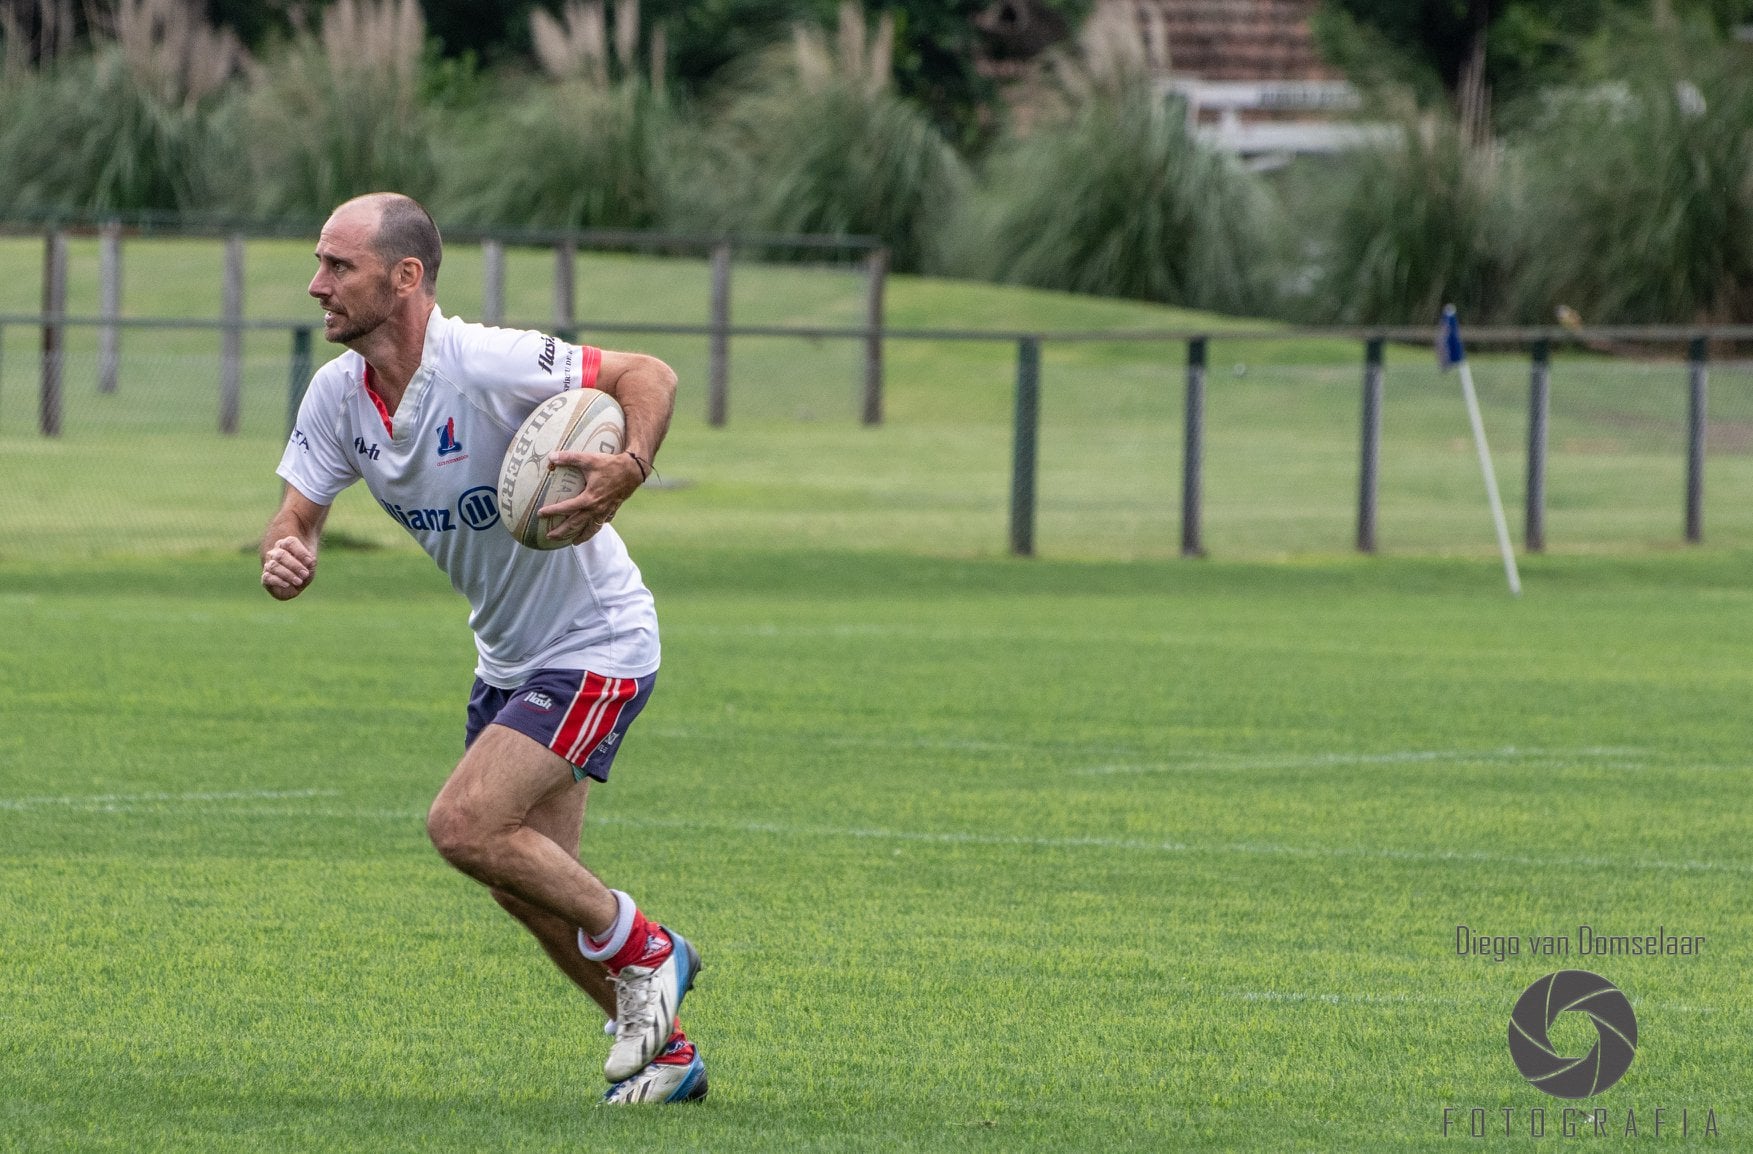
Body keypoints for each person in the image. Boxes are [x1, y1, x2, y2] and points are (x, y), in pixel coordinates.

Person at [259, 192, 705, 1105]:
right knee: (528, 886)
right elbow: (297, 509)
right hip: (507, 657)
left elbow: (645, 373)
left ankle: (652, 950)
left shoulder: (488, 362)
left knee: (462, 826)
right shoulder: (338, 396)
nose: (317, 286)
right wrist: (289, 545)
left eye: (338, 266)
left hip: (597, 640)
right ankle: (667, 1056)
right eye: (319, 264)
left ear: (406, 277)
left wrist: (632, 465)